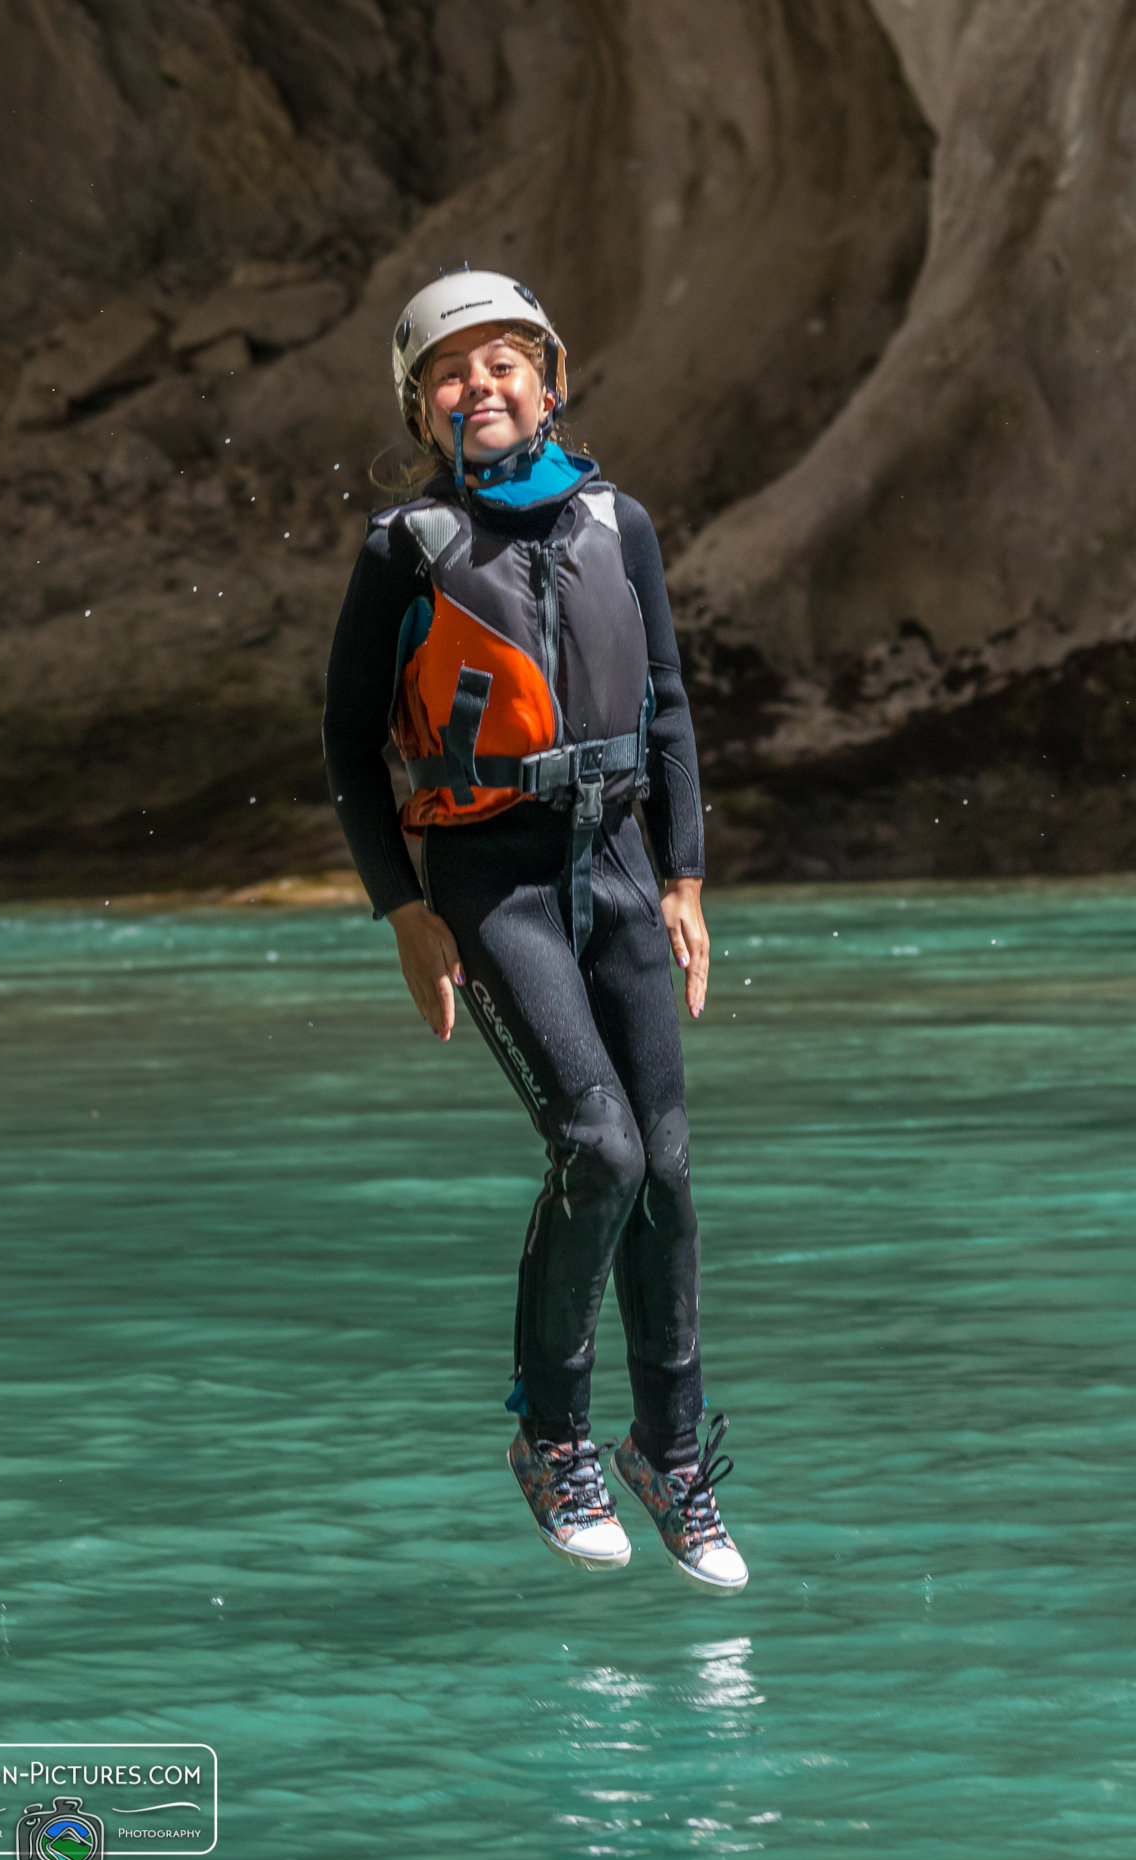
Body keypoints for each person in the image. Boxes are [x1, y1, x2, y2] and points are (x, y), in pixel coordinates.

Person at [322, 268, 747, 1591]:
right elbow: (346, 739)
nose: (481, 384)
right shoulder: (407, 549)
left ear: (550, 383)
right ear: (421, 411)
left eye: (505, 361)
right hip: (487, 878)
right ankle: (550, 1440)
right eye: (450, 373)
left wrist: (682, 878)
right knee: (598, 1147)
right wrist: (404, 911)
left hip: (618, 862)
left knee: (666, 1167)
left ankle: (668, 1457)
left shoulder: (622, 522)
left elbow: (667, 704)